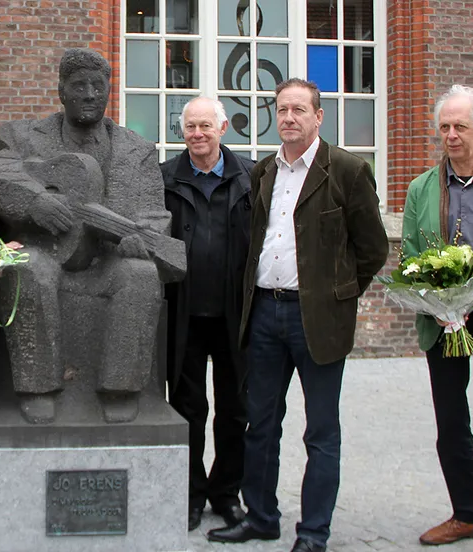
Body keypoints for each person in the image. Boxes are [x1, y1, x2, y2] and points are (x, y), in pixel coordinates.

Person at [207, 78, 388, 552]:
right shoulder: (264, 170)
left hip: (318, 319)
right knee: (260, 422)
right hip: (265, 313)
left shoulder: (347, 170)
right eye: (282, 110)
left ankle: (313, 533)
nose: (289, 118)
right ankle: (261, 516)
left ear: (318, 116)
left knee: (321, 430)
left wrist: (338, 296)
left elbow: (372, 249)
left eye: (299, 111)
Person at [0, 48, 183, 424]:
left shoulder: (136, 150)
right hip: (46, 254)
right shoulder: (22, 136)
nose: (90, 94)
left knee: (140, 275)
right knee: (26, 269)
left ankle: (120, 388)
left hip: (107, 262)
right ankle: (39, 389)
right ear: (61, 90)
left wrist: (140, 238)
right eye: (79, 86)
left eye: (98, 86)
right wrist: (36, 201)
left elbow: (154, 214)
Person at [401, 85, 473, 552]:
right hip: (444, 323)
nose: (452, 135)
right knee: (451, 422)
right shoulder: (421, 187)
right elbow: (411, 255)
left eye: (461, 127)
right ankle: (466, 513)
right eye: (445, 127)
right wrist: (437, 303)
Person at [160, 96, 252, 532]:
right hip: (184, 314)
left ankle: (226, 494)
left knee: (235, 410)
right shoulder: (164, 179)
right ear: (183, 132)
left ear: (223, 128)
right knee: (186, 408)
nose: (198, 133)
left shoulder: (252, 177)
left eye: (205, 126)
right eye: (190, 127)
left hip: (238, 315)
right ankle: (191, 493)